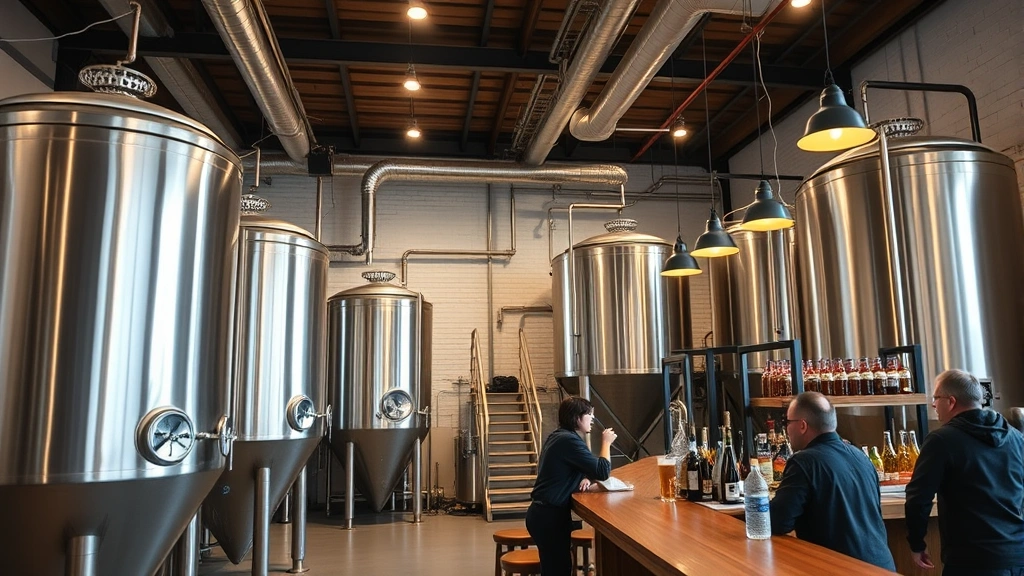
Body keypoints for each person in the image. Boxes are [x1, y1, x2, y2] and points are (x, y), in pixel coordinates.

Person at [905, 369, 1024, 575]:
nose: (933, 405)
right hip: (1018, 555)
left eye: (936, 398)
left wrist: (917, 543)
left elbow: (918, 498)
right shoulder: (1015, 436)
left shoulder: (941, 440)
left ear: (951, 401)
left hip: (972, 560)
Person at [770, 391, 895, 570]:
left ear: (802, 426)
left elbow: (778, 522)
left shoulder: (804, 462)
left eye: (787, 423)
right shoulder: (860, 456)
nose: (786, 429)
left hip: (840, 568)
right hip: (882, 567)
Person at [526, 397, 615, 576]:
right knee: (557, 570)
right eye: (589, 415)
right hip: (549, 517)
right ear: (577, 418)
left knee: (557, 568)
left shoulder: (559, 436)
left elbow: (573, 466)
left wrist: (585, 477)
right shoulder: (569, 441)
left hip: (543, 514)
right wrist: (606, 442)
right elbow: (602, 471)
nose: (592, 419)